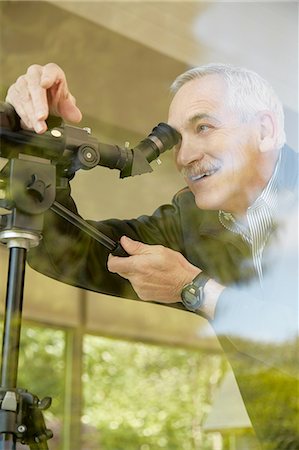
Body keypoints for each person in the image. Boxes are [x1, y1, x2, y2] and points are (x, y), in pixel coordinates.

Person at [5, 63, 298, 449]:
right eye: (176, 139)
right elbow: (73, 255)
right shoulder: (193, 220)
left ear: (265, 130)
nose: (184, 156)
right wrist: (43, 144)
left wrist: (196, 290)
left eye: (204, 127)